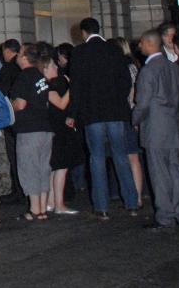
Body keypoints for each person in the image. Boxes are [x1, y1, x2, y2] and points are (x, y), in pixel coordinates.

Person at [68, 17, 140, 220]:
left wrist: (73, 113)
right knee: (121, 156)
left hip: (93, 114)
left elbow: (77, 87)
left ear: (83, 33)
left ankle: (101, 206)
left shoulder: (80, 53)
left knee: (97, 158)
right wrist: (119, 102)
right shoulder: (114, 50)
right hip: (116, 113)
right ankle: (132, 202)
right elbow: (125, 81)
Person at [133, 29, 179, 229]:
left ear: (148, 44)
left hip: (155, 128)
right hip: (172, 125)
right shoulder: (173, 68)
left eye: (141, 44)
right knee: (176, 172)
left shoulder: (148, 71)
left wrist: (135, 119)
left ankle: (165, 215)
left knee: (159, 174)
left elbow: (143, 102)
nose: (140, 47)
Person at [11, 44, 53, 221]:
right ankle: (43, 207)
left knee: (29, 168)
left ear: (25, 58)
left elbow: (20, 104)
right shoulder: (39, 76)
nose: (17, 56)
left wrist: (8, 106)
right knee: (44, 168)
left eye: (19, 54)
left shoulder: (24, 77)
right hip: (45, 127)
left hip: (29, 129)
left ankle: (34, 209)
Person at [109, 36, 145, 208]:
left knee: (128, 156)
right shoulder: (132, 66)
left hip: (125, 114)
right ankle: (135, 195)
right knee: (132, 157)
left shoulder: (123, 67)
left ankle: (133, 195)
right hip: (129, 114)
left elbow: (131, 93)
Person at [43, 52, 80, 216]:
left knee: (55, 167)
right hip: (57, 129)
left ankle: (52, 202)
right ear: (45, 69)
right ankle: (59, 204)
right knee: (60, 167)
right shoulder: (48, 86)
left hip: (57, 127)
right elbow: (61, 104)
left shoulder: (51, 84)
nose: (56, 67)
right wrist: (73, 87)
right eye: (52, 65)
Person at [0, 39, 23, 202]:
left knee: (14, 155)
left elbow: (3, 93)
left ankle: (18, 189)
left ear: (7, 51)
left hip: (12, 117)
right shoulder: (19, 68)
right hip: (22, 116)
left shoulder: (8, 69)